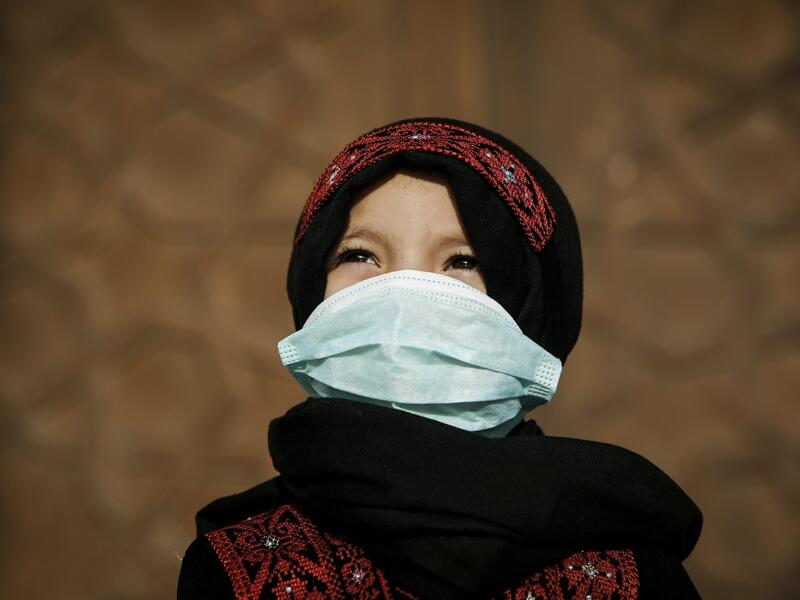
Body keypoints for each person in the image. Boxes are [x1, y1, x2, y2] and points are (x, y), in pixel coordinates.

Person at [177, 118, 703, 599]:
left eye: (463, 261)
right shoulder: (237, 567)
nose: (404, 296)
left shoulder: (633, 576)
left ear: (531, 308)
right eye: (359, 254)